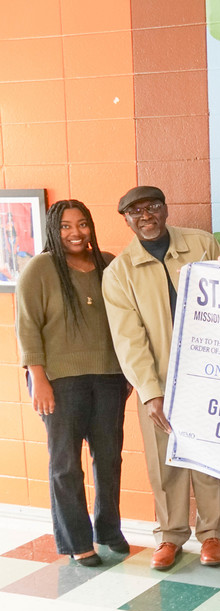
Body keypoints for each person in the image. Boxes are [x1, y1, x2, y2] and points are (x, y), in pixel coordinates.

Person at [102, 186, 220, 571]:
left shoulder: (202, 244)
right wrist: (150, 392)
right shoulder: (119, 272)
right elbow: (129, 339)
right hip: (159, 381)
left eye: (153, 207)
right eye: (135, 212)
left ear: (165, 209)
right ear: (126, 220)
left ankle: (212, 535)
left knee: (208, 456)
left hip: (208, 375)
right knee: (164, 462)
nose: (146, 216)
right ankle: (170, 535)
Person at [15, 200, 130, 567]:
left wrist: (127, 373)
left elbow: (126, 321)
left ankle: (108, 530)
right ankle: (77, 541)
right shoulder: (40, 268)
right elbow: (27, 326)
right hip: (60, 381)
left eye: (82, 224)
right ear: (54, 229)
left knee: (109, 459)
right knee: (66, 465)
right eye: (65, 226)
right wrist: (38, 378)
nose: (76, 232)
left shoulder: (108, 264)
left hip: (109, 377)